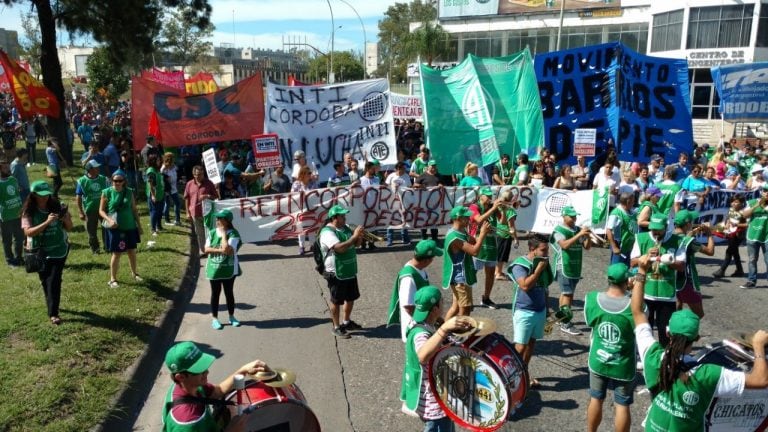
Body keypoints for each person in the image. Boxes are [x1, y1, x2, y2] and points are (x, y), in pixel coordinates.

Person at [630, 256, 768, 432]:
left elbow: (637, 311)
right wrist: (758, 346)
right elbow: (761, 380)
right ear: (697, 338)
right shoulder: (708, 374)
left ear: (667, 333)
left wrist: (642, 271)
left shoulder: (653, 357)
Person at [400, 286, 471, 432]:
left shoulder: (422, 322)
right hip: (432, 399)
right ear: (434, 309)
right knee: (439, 427)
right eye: (442, 302)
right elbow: (422, 355)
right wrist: (444, 330)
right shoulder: (420, 334)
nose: (444, 304)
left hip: (434, 395)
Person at [162, 341, 271, 431]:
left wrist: (243, 370)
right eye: (200, 370)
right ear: (180, 377)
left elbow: (216, 392)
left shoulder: (189, 386)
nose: (207, 372)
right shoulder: (187, 422)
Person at [584, 263, 638, 432]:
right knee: (622, 405)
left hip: (598, 360)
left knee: (596, 399)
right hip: (623, 363)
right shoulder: (635, 306)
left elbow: (589, 322)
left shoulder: (592, 299)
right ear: (627, 281)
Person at [21, 181, 73, 325]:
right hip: (40, 251)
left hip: (59, 249)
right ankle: (52, 302)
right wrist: (46, 223)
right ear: (34, 195)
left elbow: (69, 228)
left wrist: (65, 219)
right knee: (45, 280)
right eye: (41, 195)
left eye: (47, 195)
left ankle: (53, 314)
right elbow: (28, 232)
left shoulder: (58, 206)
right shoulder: (28, 212)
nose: (45, 198)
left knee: (54, 279)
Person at [630, 213, 684, 347]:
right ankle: (644, 356)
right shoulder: (641, 238)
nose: (655, 232)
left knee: (664, 331)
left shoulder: (677, 240)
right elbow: (632, 262)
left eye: (659, 229)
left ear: (666, 227)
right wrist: (646, 255)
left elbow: (681, 266)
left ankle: (663, 360)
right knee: (644, 329)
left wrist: (666, 260)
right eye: (653, 229)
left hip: (667, 295)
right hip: (645, 292)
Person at [505, 236, 552, 388]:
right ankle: (509, 379)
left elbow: (545, 286)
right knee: (520, 347)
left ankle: (523, 375)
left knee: (532, 343)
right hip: (523, 311)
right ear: (532, 249)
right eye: (543, 250)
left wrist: (547, 308)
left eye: (547, 250)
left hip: (540, 310)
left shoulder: (543, 262)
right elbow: (525, 285)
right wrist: (538, 270)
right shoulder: (520, 265)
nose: (547, 253)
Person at [319, 205, 364, 339]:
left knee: (350, 297)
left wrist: (359, 237)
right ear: (334, 218)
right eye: (342, 216)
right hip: (336, 272)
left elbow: (356, 245)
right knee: (336, 300)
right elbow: (339, 248)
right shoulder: (327, 232)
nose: (345, 218)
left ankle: (347, 322)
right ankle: (336, 327)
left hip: (349, 269)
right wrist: (354, 236)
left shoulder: (345, 228)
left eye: (345, 216)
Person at [386, 240, 443, 342]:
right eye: (433, 258)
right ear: (426, 260)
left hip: (424, 323)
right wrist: (425, 323)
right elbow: (408, 307)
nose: (433, 260)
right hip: (416, 328)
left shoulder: (419, 269)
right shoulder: (408, 278)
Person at [549, 206, 592, 335]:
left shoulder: (577, 229)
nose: (574, 218)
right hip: (564, 265)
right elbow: (564, 245)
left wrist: (588, 236)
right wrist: (579, 234)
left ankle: (560, 316)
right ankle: (565, 323)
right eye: (571, 216)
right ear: (564, 216)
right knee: (567, 293)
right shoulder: (559, 230)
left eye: (575, 216)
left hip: (575, 265)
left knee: (567, 293)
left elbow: (587, 247)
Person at [442, 206, 490, 320]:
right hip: (460, 278)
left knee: (456, 308)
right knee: (465, 309)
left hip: (463, 276)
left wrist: (481, 231)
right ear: (458, 218)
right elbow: (474, 251)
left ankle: (443, 331)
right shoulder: (454, 236)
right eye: (467, 217)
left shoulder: (462, 231)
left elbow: (474, 241)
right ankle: (455, 333)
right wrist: (483, 234)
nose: (470, 219)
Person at [100, 169, 143, 288]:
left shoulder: (129, 192)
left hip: (129, 226)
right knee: (117, 253)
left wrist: (139, 226)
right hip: (115, 228)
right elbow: (101, 210)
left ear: (124, 181)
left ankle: (135, 273)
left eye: (120, 181)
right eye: (115, 180)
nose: (117, 183)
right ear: (111, 180)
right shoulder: (106, 192)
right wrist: (109, 220)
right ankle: (113, 279)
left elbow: (134, 209)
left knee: (132, 251)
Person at [204, 209, 243, 330]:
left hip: (229, 269)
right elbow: (206, 249)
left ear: (226, 221)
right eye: (217, 218)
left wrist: (224, 234)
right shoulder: (211, 232)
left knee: (228, 292)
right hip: (214, 268)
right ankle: (215, 319)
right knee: (215, 293)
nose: (217, 220)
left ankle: (231, 316)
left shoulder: (234, 234)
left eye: (220, 218)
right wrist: (219, 250)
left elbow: (228, 250)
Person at [469, 187, 503, 309]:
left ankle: (486, 298)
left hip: (491, 244)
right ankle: (467, 299)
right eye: (487, 196)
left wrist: (500, 208)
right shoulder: (474, 207)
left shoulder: (492, 206)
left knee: (490, 273)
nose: (489, 198)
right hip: (477, 243)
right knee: (471, 273)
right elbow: (478, 220)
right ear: (480, 196)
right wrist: (493, 208)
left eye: (491, 196)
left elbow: (502, 220)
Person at [75, 160, 109, 254]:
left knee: (106, 228)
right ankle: (95, 249)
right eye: (96, 167)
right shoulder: (82, 181)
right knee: (91, 232)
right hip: (90, 210)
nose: (98, 168)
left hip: (103, 209)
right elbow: (78, 197)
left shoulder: (104, 179)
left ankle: (108, 246)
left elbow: (109, 193)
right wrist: (80, 211)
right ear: (90, 169)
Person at [739, 184, 768, 289]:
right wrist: (757, 205)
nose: (767, 193)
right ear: (761, 192)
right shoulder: (752, 202)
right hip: (752, 235)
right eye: (765, 190)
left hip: (766, 236)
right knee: (752, 259)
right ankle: (751, 281)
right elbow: (744, 215)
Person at [712, 195, 747, 278]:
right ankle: (739, 270)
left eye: (736, 202)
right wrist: (726, 225)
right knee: (734, 252)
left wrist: (737, 224)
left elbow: (747, 224)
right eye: (732, 202)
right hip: (730, 232)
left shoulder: (744, 212)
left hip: (738, 234)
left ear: (742, 203)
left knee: (729, 251)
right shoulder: (731, 209)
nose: (733, 204)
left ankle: (722, 270)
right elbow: (728, 218)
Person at [0, 161, 24, 267]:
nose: (8, 169)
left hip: (18, 214)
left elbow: (18, 194)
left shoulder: (13, 179)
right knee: (7, 239)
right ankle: (9, 260)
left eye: (8, 167)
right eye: (5, 168)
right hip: (5, 217)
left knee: (19, 238)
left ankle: (19, 257)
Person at [291, 166, 318, 255]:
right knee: (301, 228)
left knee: (311, 228)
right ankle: (302, 246)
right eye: (308, 173)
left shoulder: (313, 183)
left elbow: (317, 194)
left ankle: (313, 245)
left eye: (310, 173)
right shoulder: (296, 184)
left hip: (311, 209)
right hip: (300, 210)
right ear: (303, 174)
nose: (310, 175)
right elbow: (292, 196)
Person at [493, 190, 519, 282]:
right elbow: (511, 227)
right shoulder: (510, 211)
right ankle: (498, 273)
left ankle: (496, 271)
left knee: (498, 253)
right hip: (505, 234)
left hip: (497, 233)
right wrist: (516, 238)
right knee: (502, 255)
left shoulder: (497, 206)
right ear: (511, 199)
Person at [385, 162, 412, 246]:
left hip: (403, 201)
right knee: (391, 219)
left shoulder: (406, 176)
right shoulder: (391, 176)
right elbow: (386, 187)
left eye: (404, 169)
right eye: (403, 169)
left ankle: (405, 238)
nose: (404, 170)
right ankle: (390, 240)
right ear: (397, 169)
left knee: (404, 219)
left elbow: (410, 187)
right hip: (392, 201)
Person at [413, 160, 442, 241]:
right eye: (432, 166)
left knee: (434, 220)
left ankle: (434, 238)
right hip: (424, 202)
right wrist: (421, 186)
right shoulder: (423, 175)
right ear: (428, 167)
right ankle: (424, 238)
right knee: (424, 219)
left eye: (435, 166)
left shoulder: (438, 175)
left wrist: (440, 185)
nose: (434, 168)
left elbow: (441, 184)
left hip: (435, 202)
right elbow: (415, 184)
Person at [606, 192, 636, 266]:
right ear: (628, 201)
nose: (634, 202)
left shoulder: (632, 212)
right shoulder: (616, 213)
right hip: (620, 246)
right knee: (617, 270)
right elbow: (609, 230)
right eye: (633, 200)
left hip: (629, 246)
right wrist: (614, 247)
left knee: (626, 270)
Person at [146, 154, 165, 236]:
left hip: (160, 193)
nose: (160, 161)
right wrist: (153, 196)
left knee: (160, 211)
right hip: (154, 194)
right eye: (158, 160)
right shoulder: (151, 171)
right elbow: (151, 184)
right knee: (154, 211)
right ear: (153, 161)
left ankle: (159, 226)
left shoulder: (157, 169)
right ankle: (153, 229)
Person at [161, 152, 182, 226]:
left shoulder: (174, 166)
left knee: (177, 203)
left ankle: (177, 220)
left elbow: (176, 171)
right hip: (167, 189)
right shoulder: (164, 168)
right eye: (173, 158)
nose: (174, 159)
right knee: (167, 204)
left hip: (174, 188)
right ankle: (166, 219)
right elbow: (161, 179)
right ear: (169, 159)